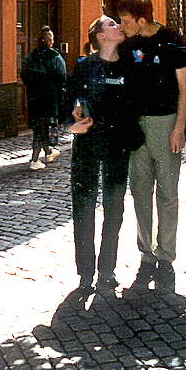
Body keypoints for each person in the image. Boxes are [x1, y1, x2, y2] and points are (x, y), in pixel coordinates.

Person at [63, 16, 144, 296]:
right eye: (111, 24)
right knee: (83, 210)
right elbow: (68, 99)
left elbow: (133, 105)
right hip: (86, 146)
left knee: (114, 210)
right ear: (99, 36)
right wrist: (71, 120)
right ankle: (85, 273)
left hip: (116, 146)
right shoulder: (84, 66)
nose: (118, 26)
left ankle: (107, 270)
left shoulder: (129, 65)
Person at [118, 0, 186, 291]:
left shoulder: (174, 40)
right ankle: (146, 256)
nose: (122, 26)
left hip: (166, 123)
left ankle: (166, 258)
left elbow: (185, 87)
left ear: (141, 20)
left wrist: (179, 128)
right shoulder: (128, 43)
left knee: (168, 194)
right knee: (140, 193)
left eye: (125, 21)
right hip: (137, 127)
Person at [21, 26, 67, 170]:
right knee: (44, 126)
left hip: (34, 96)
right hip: (49, 96)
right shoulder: (54, 57)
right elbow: (62, 77)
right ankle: (35, 159)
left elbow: (24, 74)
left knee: (39, 126)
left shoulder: (31, 55)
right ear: (50, 41)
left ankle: (48, 153)